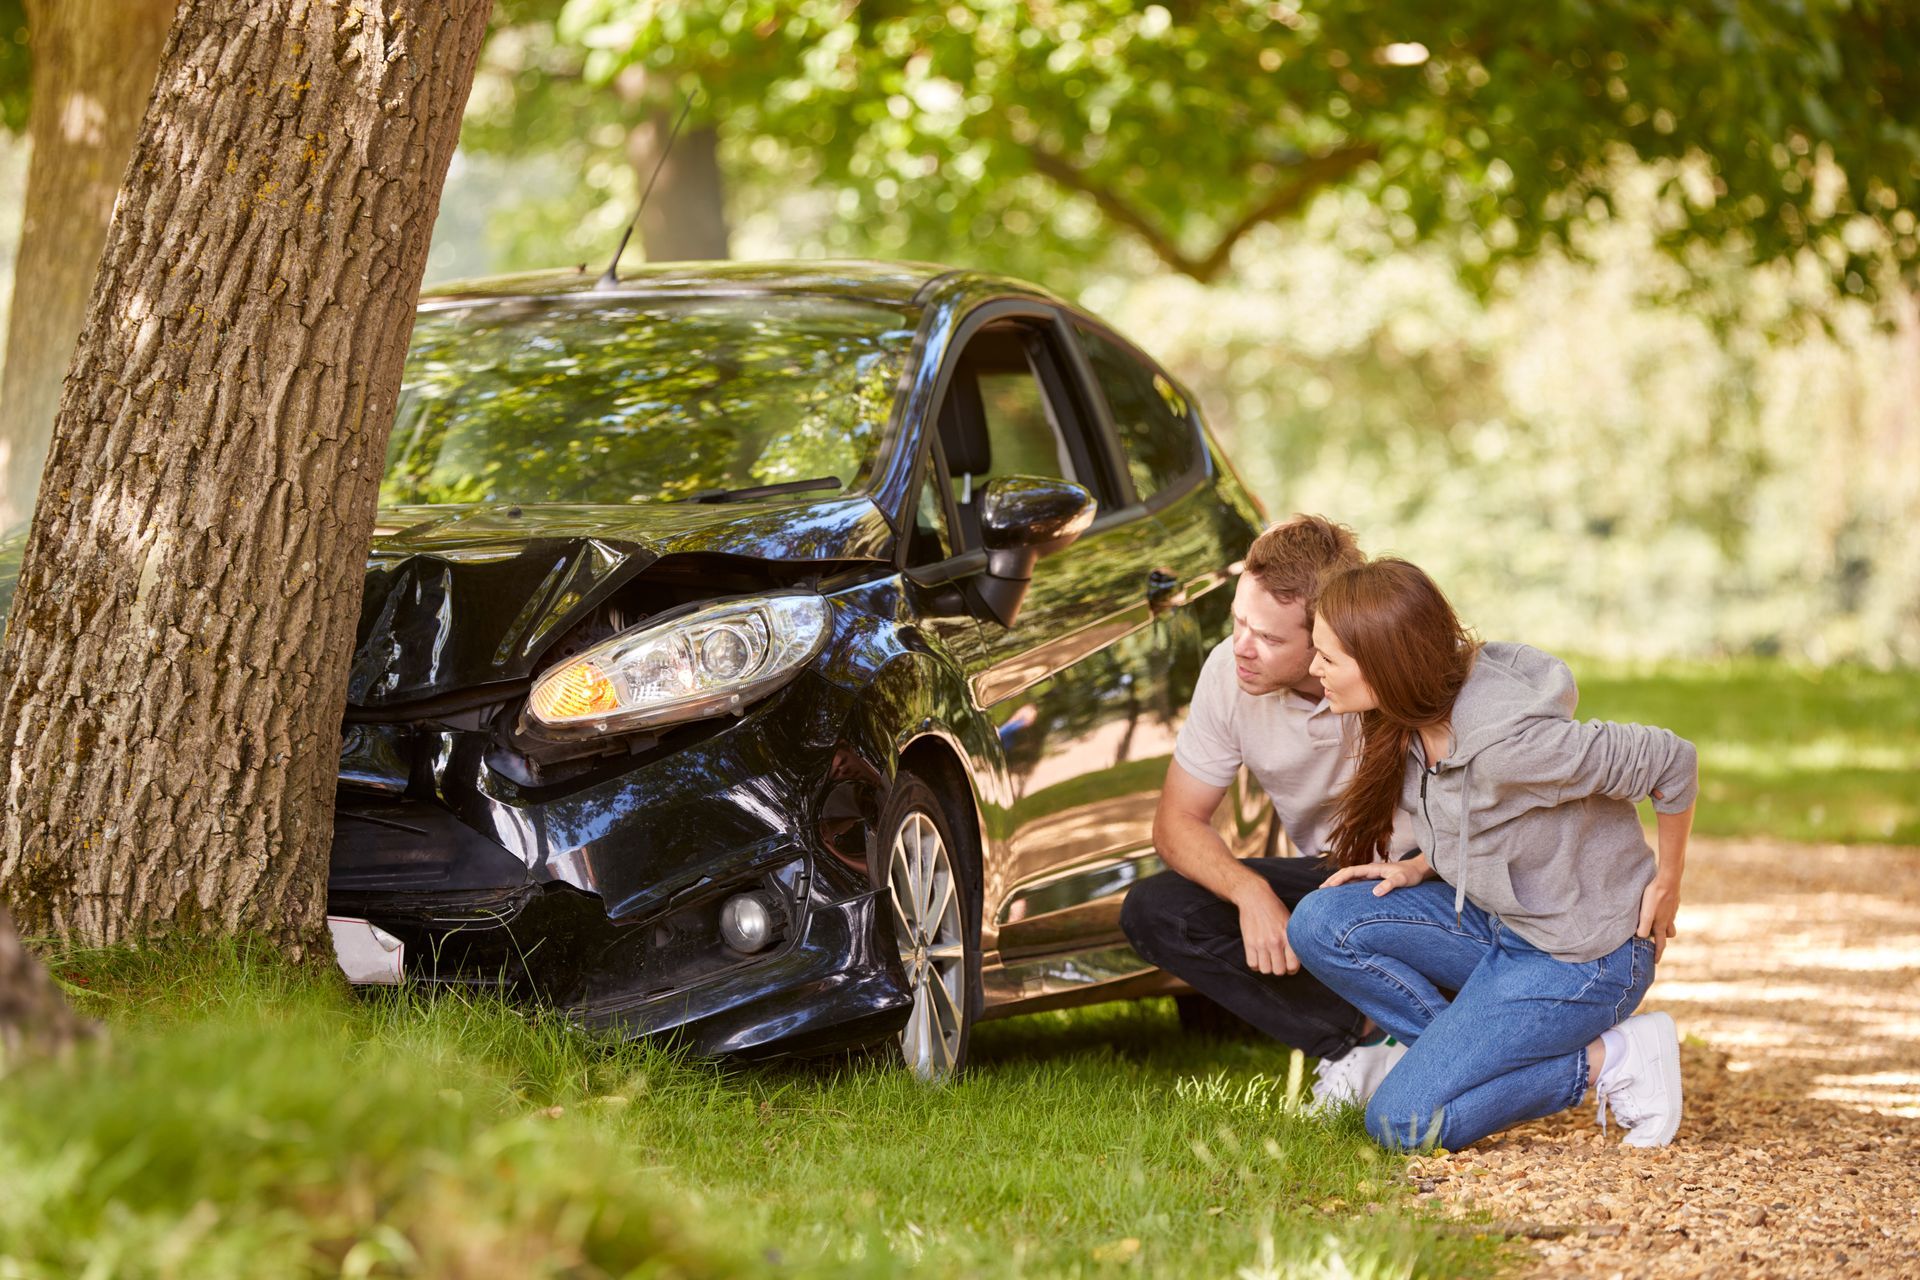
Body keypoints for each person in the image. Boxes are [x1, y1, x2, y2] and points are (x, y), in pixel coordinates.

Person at [1286, 558, 1696, 1151]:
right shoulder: (1409, 720)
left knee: (1400, 1124)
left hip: (1583, 958)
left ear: (1383, 664)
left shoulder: (1515, 745)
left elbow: (1672, 762)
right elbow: (1479, 812)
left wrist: (1669, 882)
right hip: (1502, 928)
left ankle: (1615, 1057)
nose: (1313, 667)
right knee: (1321, 923)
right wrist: (1420, 864)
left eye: (1328, 656)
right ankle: (1448, 1063)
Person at [1120, 515, 1417, 1109]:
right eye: (1237, 621)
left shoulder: (1401, 665)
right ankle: (1357, 1043)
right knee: (1158, 910)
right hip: (1334, 882)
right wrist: (1250, 892)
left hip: (1432, 881)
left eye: (1271, 639)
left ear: (1331, 637)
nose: (1242, 648)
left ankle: (1446, 1026)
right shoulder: (1228, 674)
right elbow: (1176, 823)